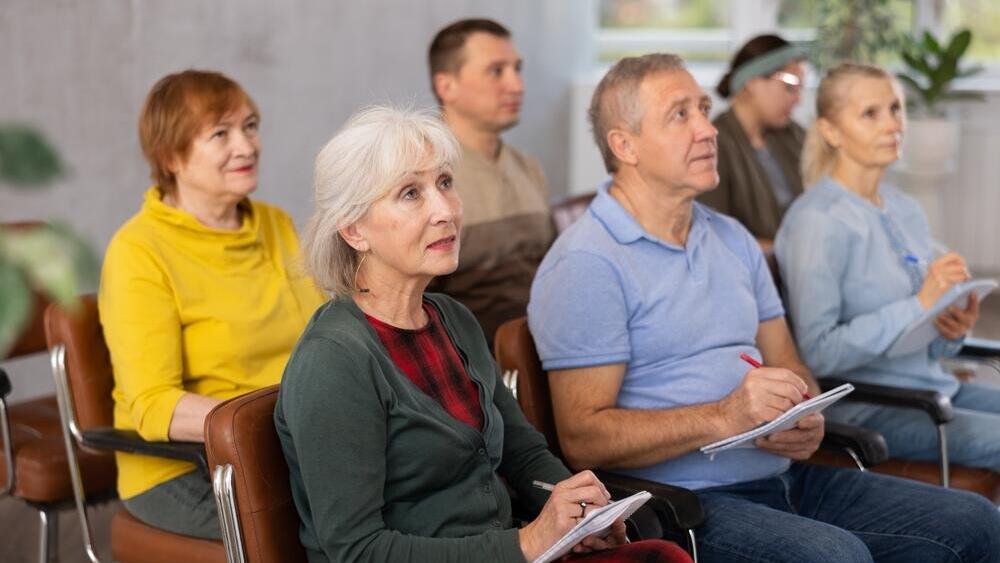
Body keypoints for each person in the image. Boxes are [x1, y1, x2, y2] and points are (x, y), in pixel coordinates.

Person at [528, 54, 1000, 562]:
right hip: (685, 504)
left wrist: (804, 416)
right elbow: (583, 438)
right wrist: (725, 416)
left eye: (705, 110)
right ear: (625, 145)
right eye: (680, 115)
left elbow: (793, 364)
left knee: (976, 522)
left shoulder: (732, 238)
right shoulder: (586, 262)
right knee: (836, 557)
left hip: (783, 475)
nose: (708, 130)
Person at [275, 106, 690, 563]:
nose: (445, 210)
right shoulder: (334, 360)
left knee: (660, 555)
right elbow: (356, 551)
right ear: (354, 230)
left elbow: (523, 453)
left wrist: (579, 510)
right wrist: (528, 542)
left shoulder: (452, 318)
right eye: (411, 193)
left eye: (446, 183)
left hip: (508, 551)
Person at [98, 70, 327, 539]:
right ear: (171, 156)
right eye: (221, 134)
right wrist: (276, 427)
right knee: (338, 530)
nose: (246, 146)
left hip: (295, 448)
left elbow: (323, 335)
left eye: (250, 125)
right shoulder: (138, 250)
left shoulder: (275, 223)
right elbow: (152, 404)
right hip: (189, 470)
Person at [774, 62, 1000, 472]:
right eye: (870, 114)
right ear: (830, 131)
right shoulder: (817, 221)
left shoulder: (903, 208)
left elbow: (926, 339)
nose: (893, 124)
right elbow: (819, 353)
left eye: (896, 109)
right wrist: (919, 304)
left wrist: (952, 327)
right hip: (873, 407)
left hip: (933, 387)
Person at [425, 18, 556, 344]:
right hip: (471, 366)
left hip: (544, 349)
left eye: (517, 69)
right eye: (496, 71)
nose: (517, 85)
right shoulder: (421, 176)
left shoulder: (527, 168)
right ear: (447, 86)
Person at [699, 34, 808, 250]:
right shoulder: (712, 147)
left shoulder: (794, 135)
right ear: (752, 83)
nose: (798, 99)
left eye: (799, 89)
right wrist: (790, 252)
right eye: (789, 87)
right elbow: (713, 237)